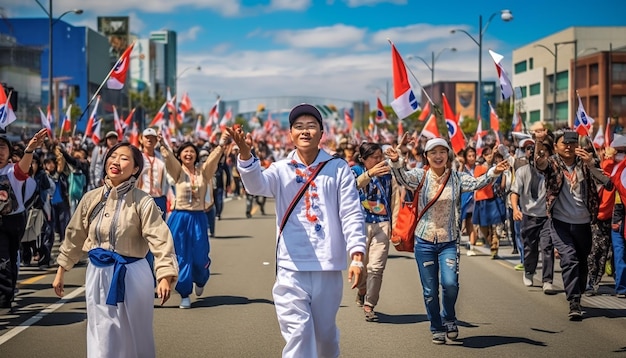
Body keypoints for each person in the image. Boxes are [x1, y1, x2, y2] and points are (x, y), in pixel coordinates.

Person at [226, 104, 366, 358]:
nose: (305, 131)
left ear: (321, 133)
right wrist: (246, 155)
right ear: (290, 133)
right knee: (298, 333)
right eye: (299, 127)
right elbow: (257, 186)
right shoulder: (280, 169)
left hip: (327, 266)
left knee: (325, 337)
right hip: (291, 267)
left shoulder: (338, 169)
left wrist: (357, 255)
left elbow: (351, 213)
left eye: (311, 126)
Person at [52, 142, 178, 357]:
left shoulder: (143, 201)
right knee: (101, 332)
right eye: (113, 156)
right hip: (96, 274)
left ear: (136, 168)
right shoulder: (90, 199)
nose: (116, 161)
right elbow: (74, 235)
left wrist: (165, 274)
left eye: (124, 158)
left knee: (136, 333)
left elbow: (160, 238)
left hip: (133, 274)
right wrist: (61, 271)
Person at [386, 137, 508, 344]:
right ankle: (436, 326)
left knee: (450, 284)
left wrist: (494, 171)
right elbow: (403, 178)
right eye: (433, 152)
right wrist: (397, 161)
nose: (438, 156)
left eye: (442, 152)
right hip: (424, 241)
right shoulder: (420, 176)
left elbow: (478, 183)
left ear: (448, 155)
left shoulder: (457, 178)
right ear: (427, 156)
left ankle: (449, 319)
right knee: (430, 290)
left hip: (449, 241)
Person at [533, 128, 612, 320]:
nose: (568, 147)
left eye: (572, 143)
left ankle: (579, 288)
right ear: (556, 146)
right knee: (569, 259)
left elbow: (608, 183)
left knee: (582, 261)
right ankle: (574, 301)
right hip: (560, 222)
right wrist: (538, 142)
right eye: (564, 143)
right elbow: (539, 163)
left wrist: (592, 164)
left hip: (584, 222)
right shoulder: (552, 163)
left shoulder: (586, 163)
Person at [159, 134, 227, 309]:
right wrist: (163, 145)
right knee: (182, 257)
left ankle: (201, 278)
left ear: (196, 155)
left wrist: (221, 145)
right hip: (179, 217)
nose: (188, 154)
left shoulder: (203, 173)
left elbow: (213, 160)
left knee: (200, 255)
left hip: (198, 218)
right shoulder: (178, 172)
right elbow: (169, 160)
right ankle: (184, 294)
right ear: (180, 155)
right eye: (185, 152)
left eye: (191, 151)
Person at [351, 142, 401, 322]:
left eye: (381, 156)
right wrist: (369, 174)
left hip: (383, 224)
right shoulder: (355, 171)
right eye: (374, 157)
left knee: (376, 267)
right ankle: (362, 291)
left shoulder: (389, 174)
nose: (379, 160)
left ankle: (369, 304)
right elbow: (351, 187)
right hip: (359, 225)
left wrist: (395, 227)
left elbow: (395, 200)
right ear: (363, 159)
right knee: (362, 266)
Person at [0, 129, 48, 310]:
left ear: (10, 151)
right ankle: (4, 297)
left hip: (14, 221)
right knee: (3, 257)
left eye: (3, 147)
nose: (0, 152)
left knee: (11, 257)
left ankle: (9, 292)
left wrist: (29, 150)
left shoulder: (13, 170)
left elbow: (24, 169)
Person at [510, 137, 556, 294]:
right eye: (529, 149)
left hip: (547, 217)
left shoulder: (552, 171)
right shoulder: (521, 171)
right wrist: (516, 209)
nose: (533, 153)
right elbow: (515, 192)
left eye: (536, 150)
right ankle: (529, 271)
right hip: (528, 216)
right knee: (530, 248)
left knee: (547, 246)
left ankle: (547, 280)